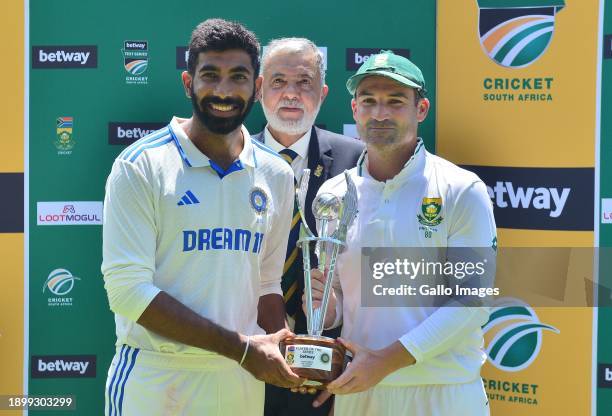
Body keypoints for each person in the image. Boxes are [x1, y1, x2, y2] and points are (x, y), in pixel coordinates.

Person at [101, 18, 303, 416]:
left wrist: (281, 343)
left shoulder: (276, 174)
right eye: (210, 75)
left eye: (238, 77)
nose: (224, 91)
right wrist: (243, 348)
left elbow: (265, 281)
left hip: (239, 380)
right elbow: (127, 291)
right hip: (157, 379)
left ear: (257, 87)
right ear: (187, 83)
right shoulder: (141, 165)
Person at [310, 51, 497, 415]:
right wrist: (324, 308)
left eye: (395, 101)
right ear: (354, 110)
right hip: (360, 390)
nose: (380, 113)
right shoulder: (332, 194)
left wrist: (385, 361)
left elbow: (471, 302)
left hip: (442, 391)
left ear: (421, 109)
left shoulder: (461, 188)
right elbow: (334, 300)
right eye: (369, 101)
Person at [252, 37, 364, 416]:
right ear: (259, 88)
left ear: (323, 92)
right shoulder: (231, 161)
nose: (291, 94)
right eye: (279, 81)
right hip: (246, 366)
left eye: (304, 82)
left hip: (332, 374)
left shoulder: (356, 159)